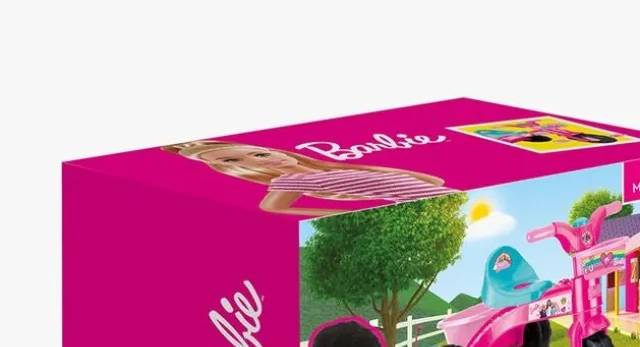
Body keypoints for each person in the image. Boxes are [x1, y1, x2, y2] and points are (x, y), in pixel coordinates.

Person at [162, 141, 455, 216]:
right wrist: (338, 214)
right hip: (424, 201)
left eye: (260, 153)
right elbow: (271, 208)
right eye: (234, 161)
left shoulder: (326, 168)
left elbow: (433, 180)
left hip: (436, 195)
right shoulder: (288, 181)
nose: (258, 160)